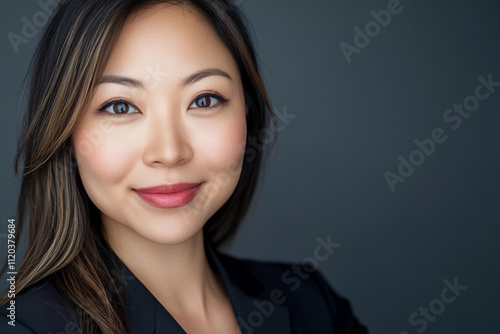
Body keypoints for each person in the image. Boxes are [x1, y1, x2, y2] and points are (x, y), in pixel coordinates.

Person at [0, 0, 368, 333]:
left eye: (204, 100)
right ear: (65, 132)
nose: (170, 151)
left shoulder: (309, 302)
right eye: (120, 106)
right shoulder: (25, 326)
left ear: (248, 114)